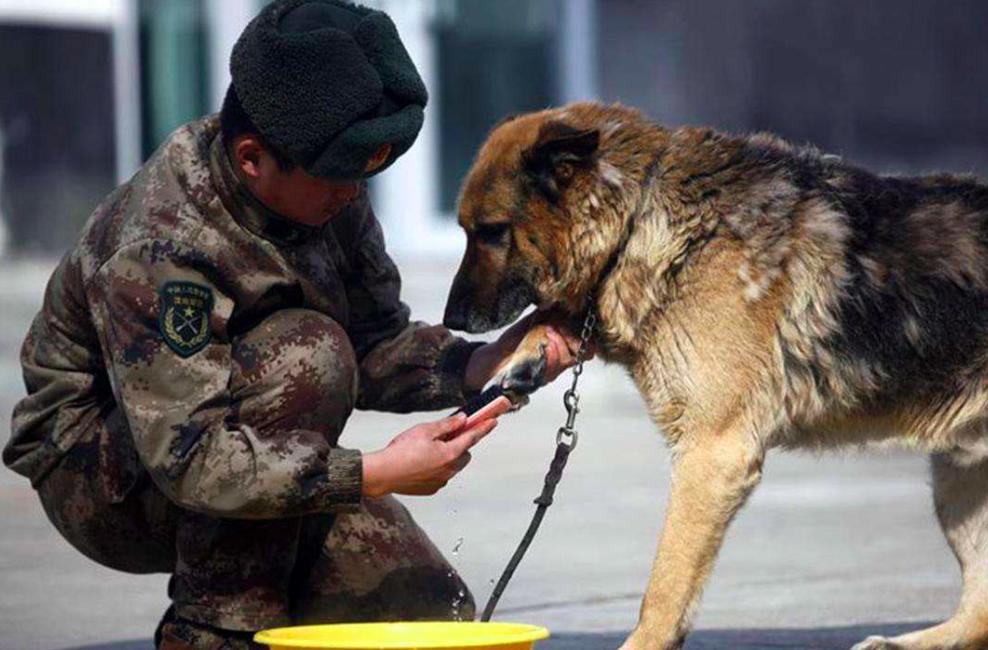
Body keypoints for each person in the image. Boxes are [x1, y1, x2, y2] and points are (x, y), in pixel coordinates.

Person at [3, 1, 581, 648]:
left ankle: (272, 596)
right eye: (341, 177)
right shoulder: (163, 245)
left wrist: (482, 363)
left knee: (427, 611)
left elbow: (375, 342)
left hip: (251, 437)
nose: (354, 195)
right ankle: (215, 628)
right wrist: (379, 473)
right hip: (107, 471)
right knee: (306, 354)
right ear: (252, 158)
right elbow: (191, 458)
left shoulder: (326, 189)